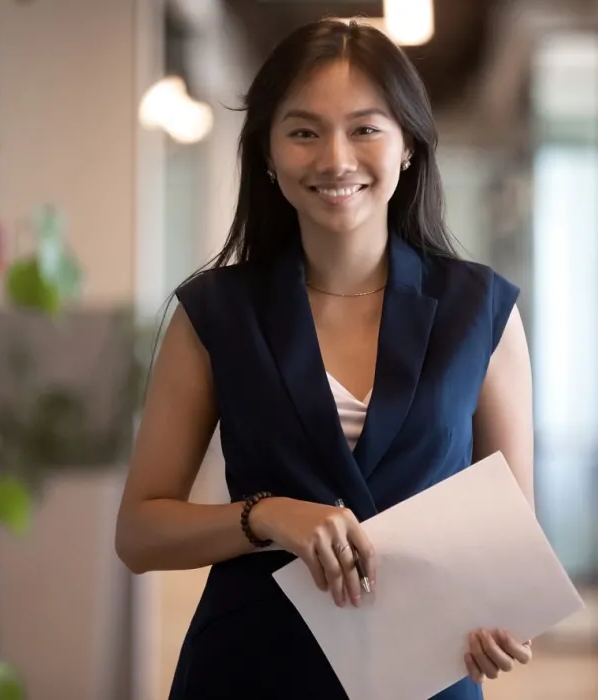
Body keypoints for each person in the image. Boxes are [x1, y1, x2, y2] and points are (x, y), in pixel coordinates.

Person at [115, 18, 535, 700]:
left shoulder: (479, 310)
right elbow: (140, 532)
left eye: (365, 128)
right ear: (269, 155)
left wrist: (502, 622)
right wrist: (268, 515)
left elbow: (514, 548)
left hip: (425, 676)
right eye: (304, 131)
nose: (335, 159)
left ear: (407, 148)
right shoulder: (214, 313)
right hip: (251, 670)